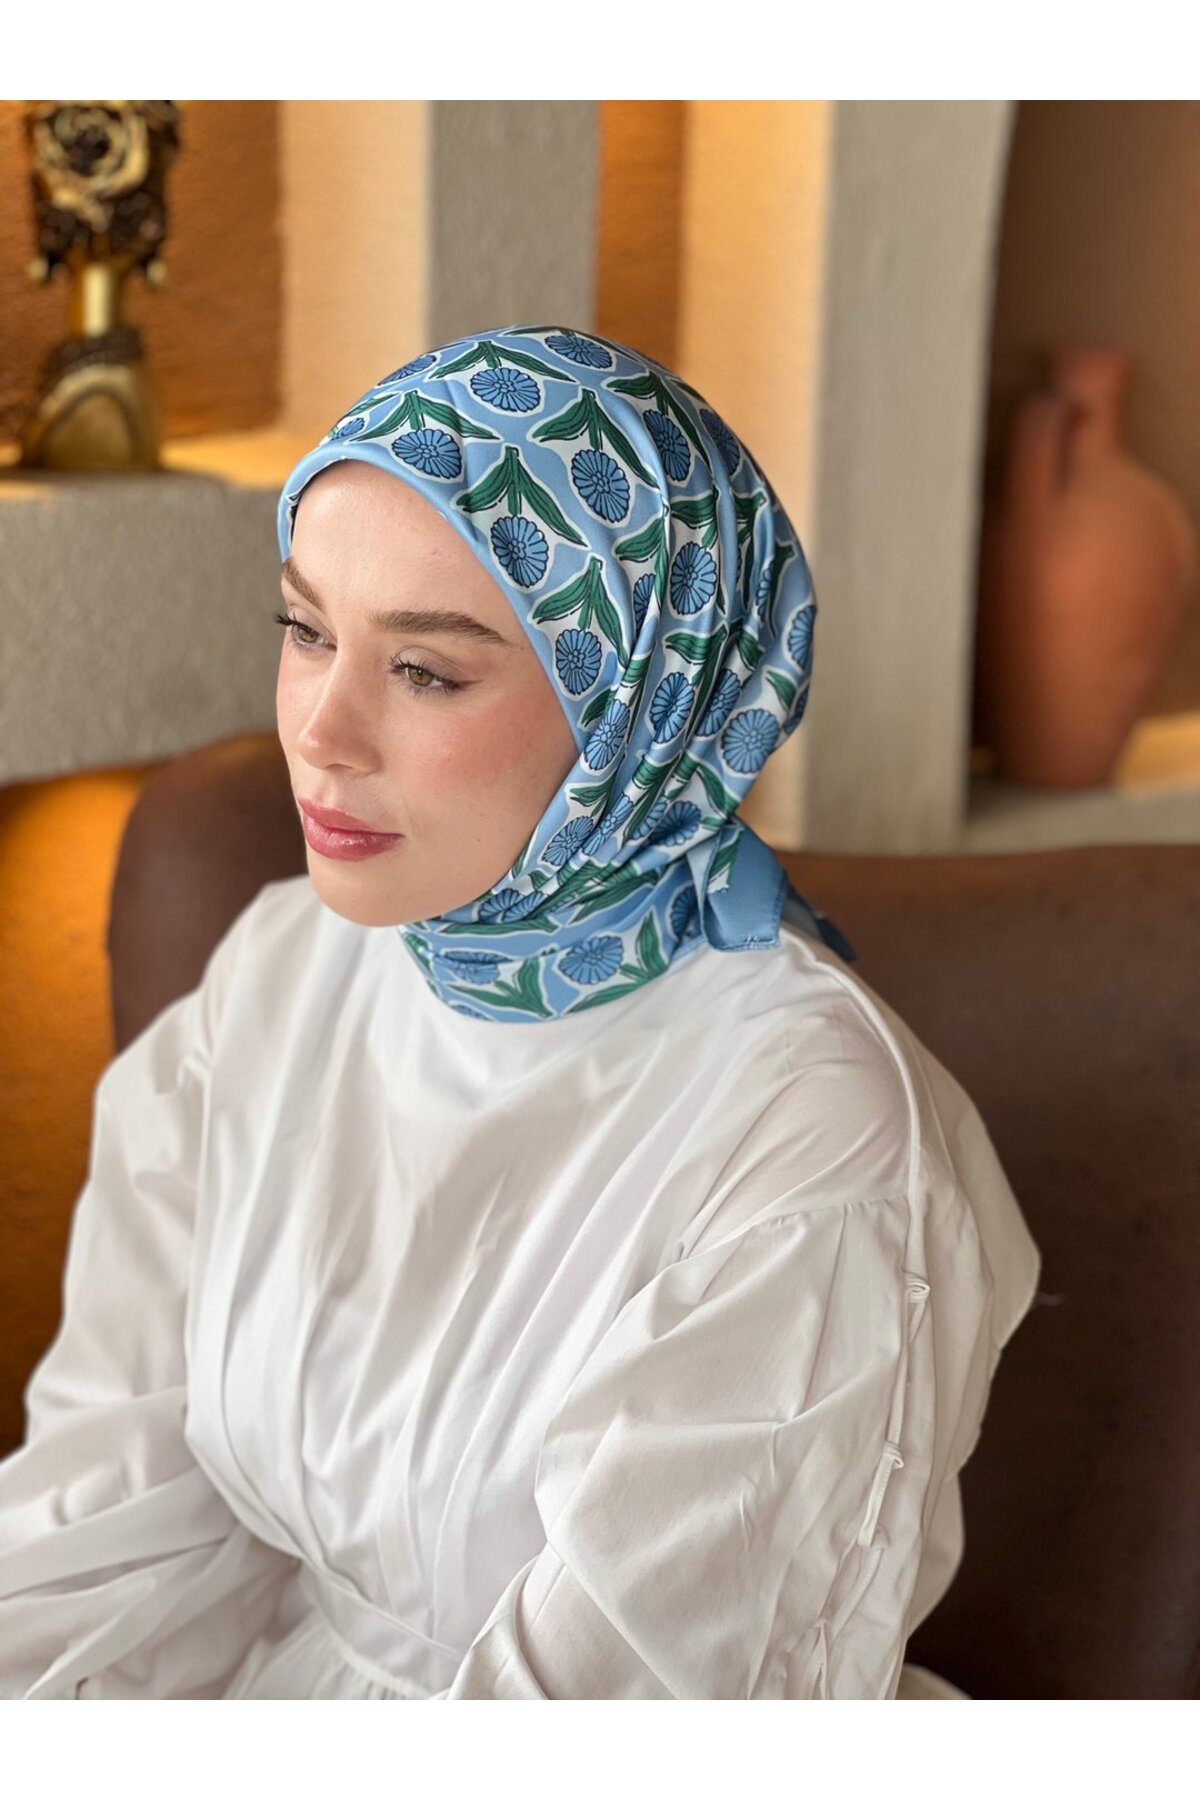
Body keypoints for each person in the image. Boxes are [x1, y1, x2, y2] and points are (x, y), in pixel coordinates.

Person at [0, 324, 1040, 1699]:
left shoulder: (817, 1146)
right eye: (307, 630)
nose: (319, 731)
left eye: (425, 670)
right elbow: (103, 1513)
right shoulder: (284, 967)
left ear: (636, 717)